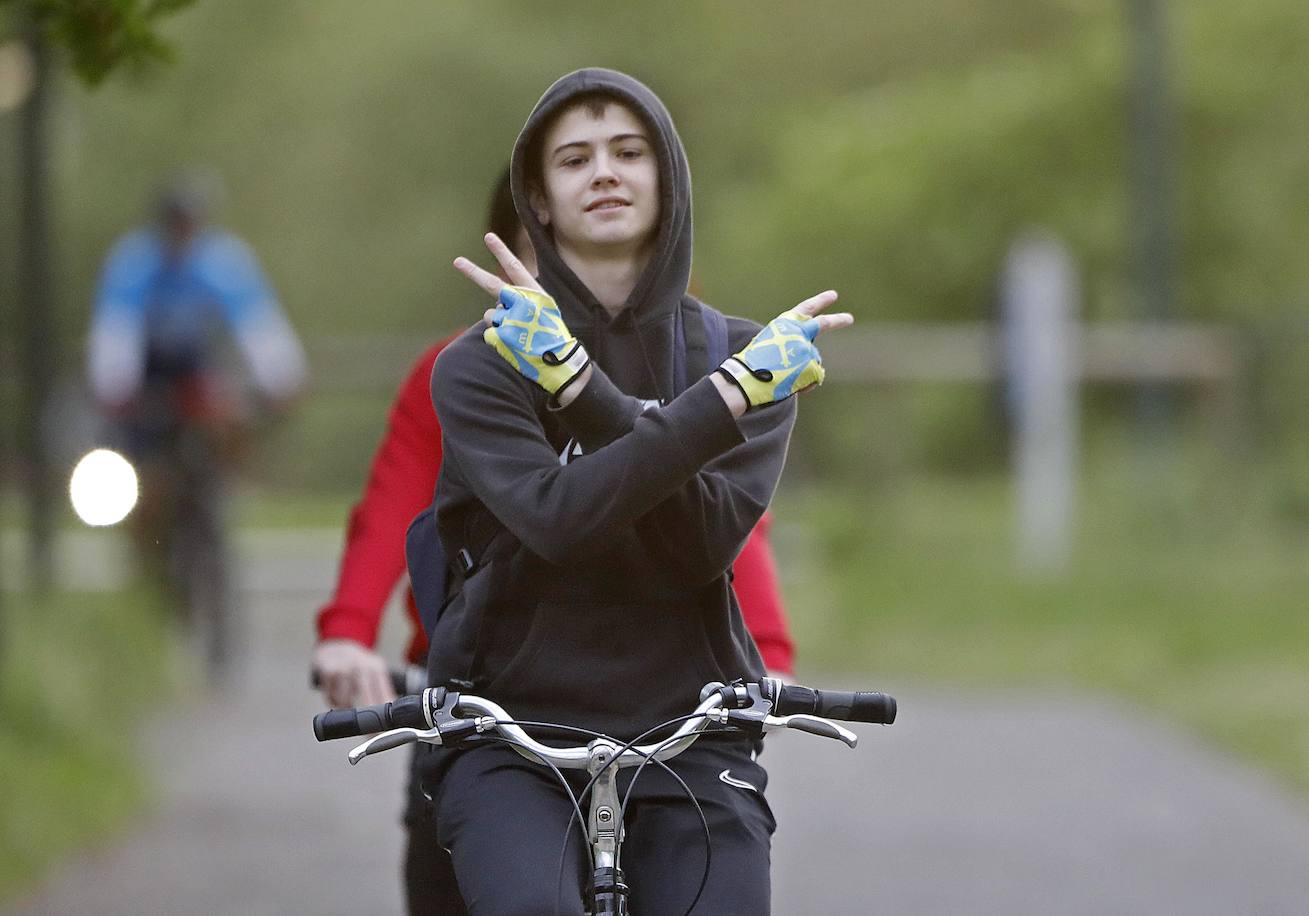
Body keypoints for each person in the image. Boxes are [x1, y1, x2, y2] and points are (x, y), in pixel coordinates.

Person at [311, 168, 798, 916]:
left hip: (663, 698)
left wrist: (764, 656)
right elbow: (392, 504)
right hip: (483, 692)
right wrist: (348, 630)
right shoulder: (464, 368)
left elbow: (723, 526)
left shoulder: (690, 361)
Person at [424, 69, 851, 915]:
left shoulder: (747, 357)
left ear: (669, 180)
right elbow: (556, 520)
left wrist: (589, 393)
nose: (605, 172)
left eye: (629, 152)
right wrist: (716, 406)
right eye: (574, 159)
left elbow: (700, 543)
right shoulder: (479, 365)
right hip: (508, 731)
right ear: (538, 199)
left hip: (692, 725)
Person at [87, 171, 307, 672]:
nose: (183, 234)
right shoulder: (134, 263)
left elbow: (258, 326)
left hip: (195, 382)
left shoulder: (221, 262)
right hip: (146, 385)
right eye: (176, 225)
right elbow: (114, 333)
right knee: (146, 487)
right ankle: (148, 560)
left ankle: (211, 515)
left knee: (220, 433)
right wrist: (114, 389)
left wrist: (282, 377)